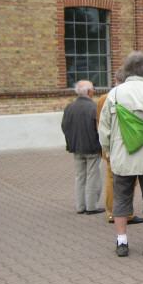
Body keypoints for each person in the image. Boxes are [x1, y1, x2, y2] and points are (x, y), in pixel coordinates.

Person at [99, 51, 143, 258]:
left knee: (121, 199)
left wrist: (109, 152)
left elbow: (104, 130)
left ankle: (122, 242)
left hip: (122, 157)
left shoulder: (114, 94)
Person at [96, 69, 143, 225]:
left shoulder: (104, 98)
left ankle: (113, 211)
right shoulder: (119, 97)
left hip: (110, 144)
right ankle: (120, 213)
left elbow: (100, 122)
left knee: (113, 178)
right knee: (123, 180)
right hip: (122, 145)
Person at [61, 80, 104, 215]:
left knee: (80, 177)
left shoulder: (70, 107)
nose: (94, 92)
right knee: (92, 176)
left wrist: (71, 141)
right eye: (93, 89)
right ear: (89, 92)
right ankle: (91, 206)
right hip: (92, 147)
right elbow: (99, 128)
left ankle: (80, 206)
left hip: (76, 147)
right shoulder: (93, 107)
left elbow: (64, 126)